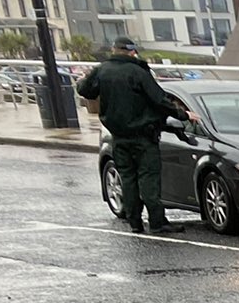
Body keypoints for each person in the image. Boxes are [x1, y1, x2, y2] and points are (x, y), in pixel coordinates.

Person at [77, 37, 192, 234]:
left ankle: (135, 222)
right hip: (143, 136)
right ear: (131, 52)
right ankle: (157, 221)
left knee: (128, 178)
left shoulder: (102, 70)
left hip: (118, 136)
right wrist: (183, 114)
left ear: (114, 50)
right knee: (148, 178)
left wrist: (83, 79)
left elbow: (85, 90)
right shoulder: (138, 72)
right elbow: (159, 99)